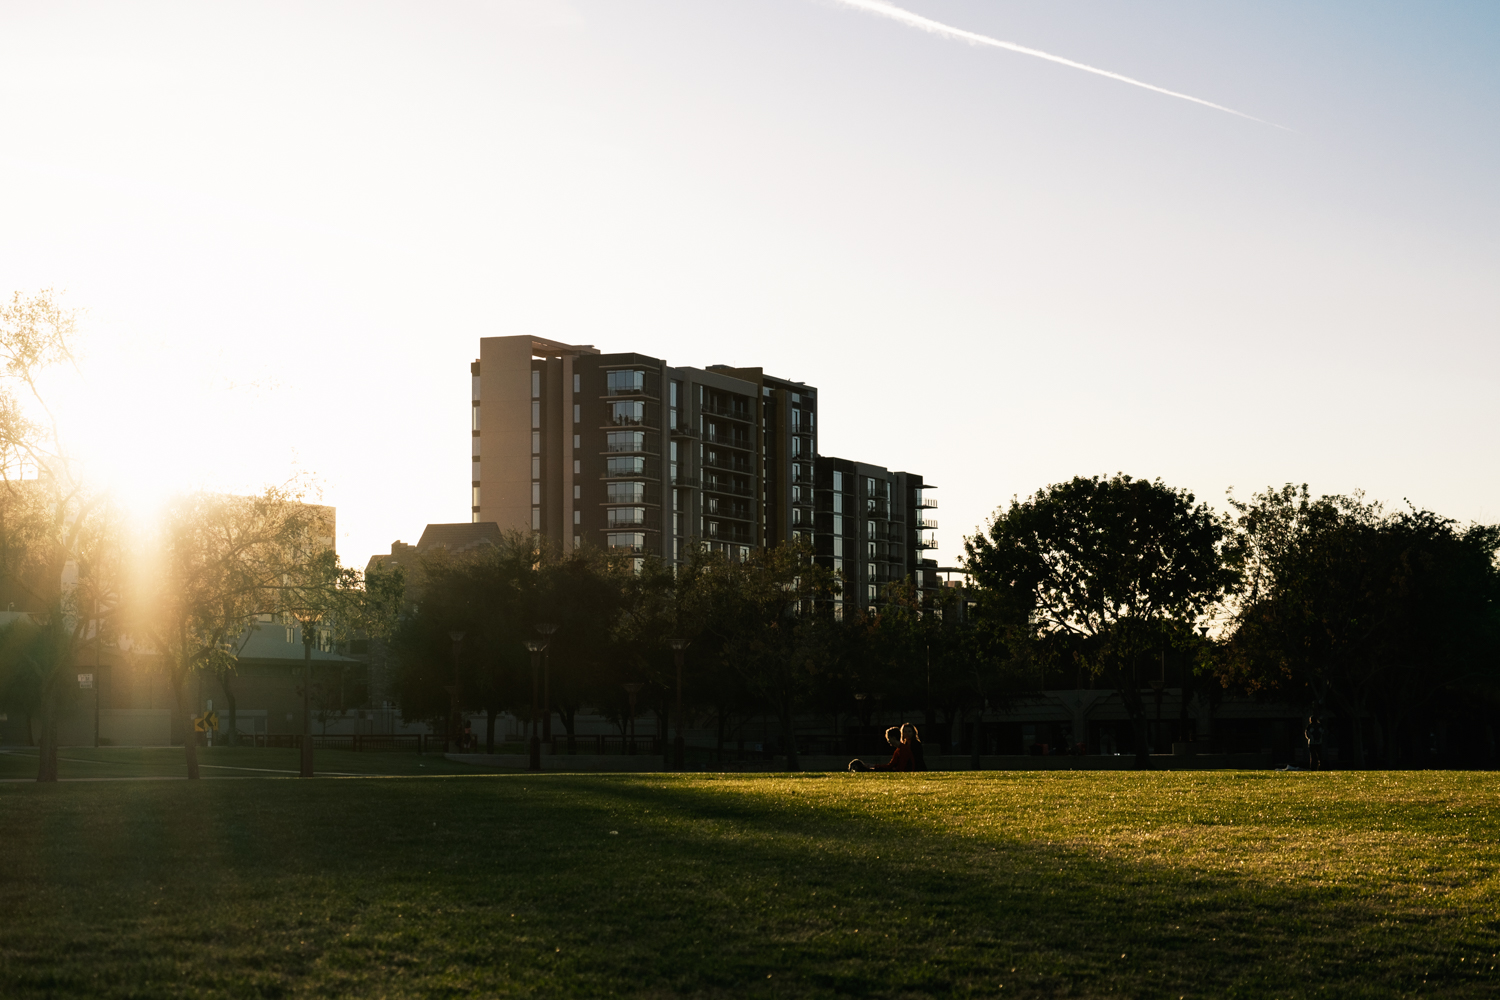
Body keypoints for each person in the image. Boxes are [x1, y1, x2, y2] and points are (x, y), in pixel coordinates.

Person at [848, 727, 913, 772]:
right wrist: (873, 766)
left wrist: (875, 767)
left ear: (893, 738)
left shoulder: (903, 750)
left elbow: (900, 768)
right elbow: (890, 765)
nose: (888, 741)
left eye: (888, 738)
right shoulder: (899, 749)